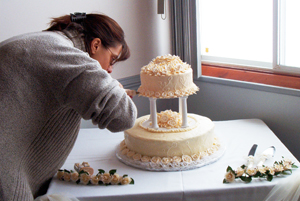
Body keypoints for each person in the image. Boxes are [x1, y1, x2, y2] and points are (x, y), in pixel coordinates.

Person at [0, 12, 137, 200]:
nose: (111, 69)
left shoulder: (44, 42)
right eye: (112, 59)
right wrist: (116, 88)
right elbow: (124, 116)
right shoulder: (64, 54)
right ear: (96, 44)